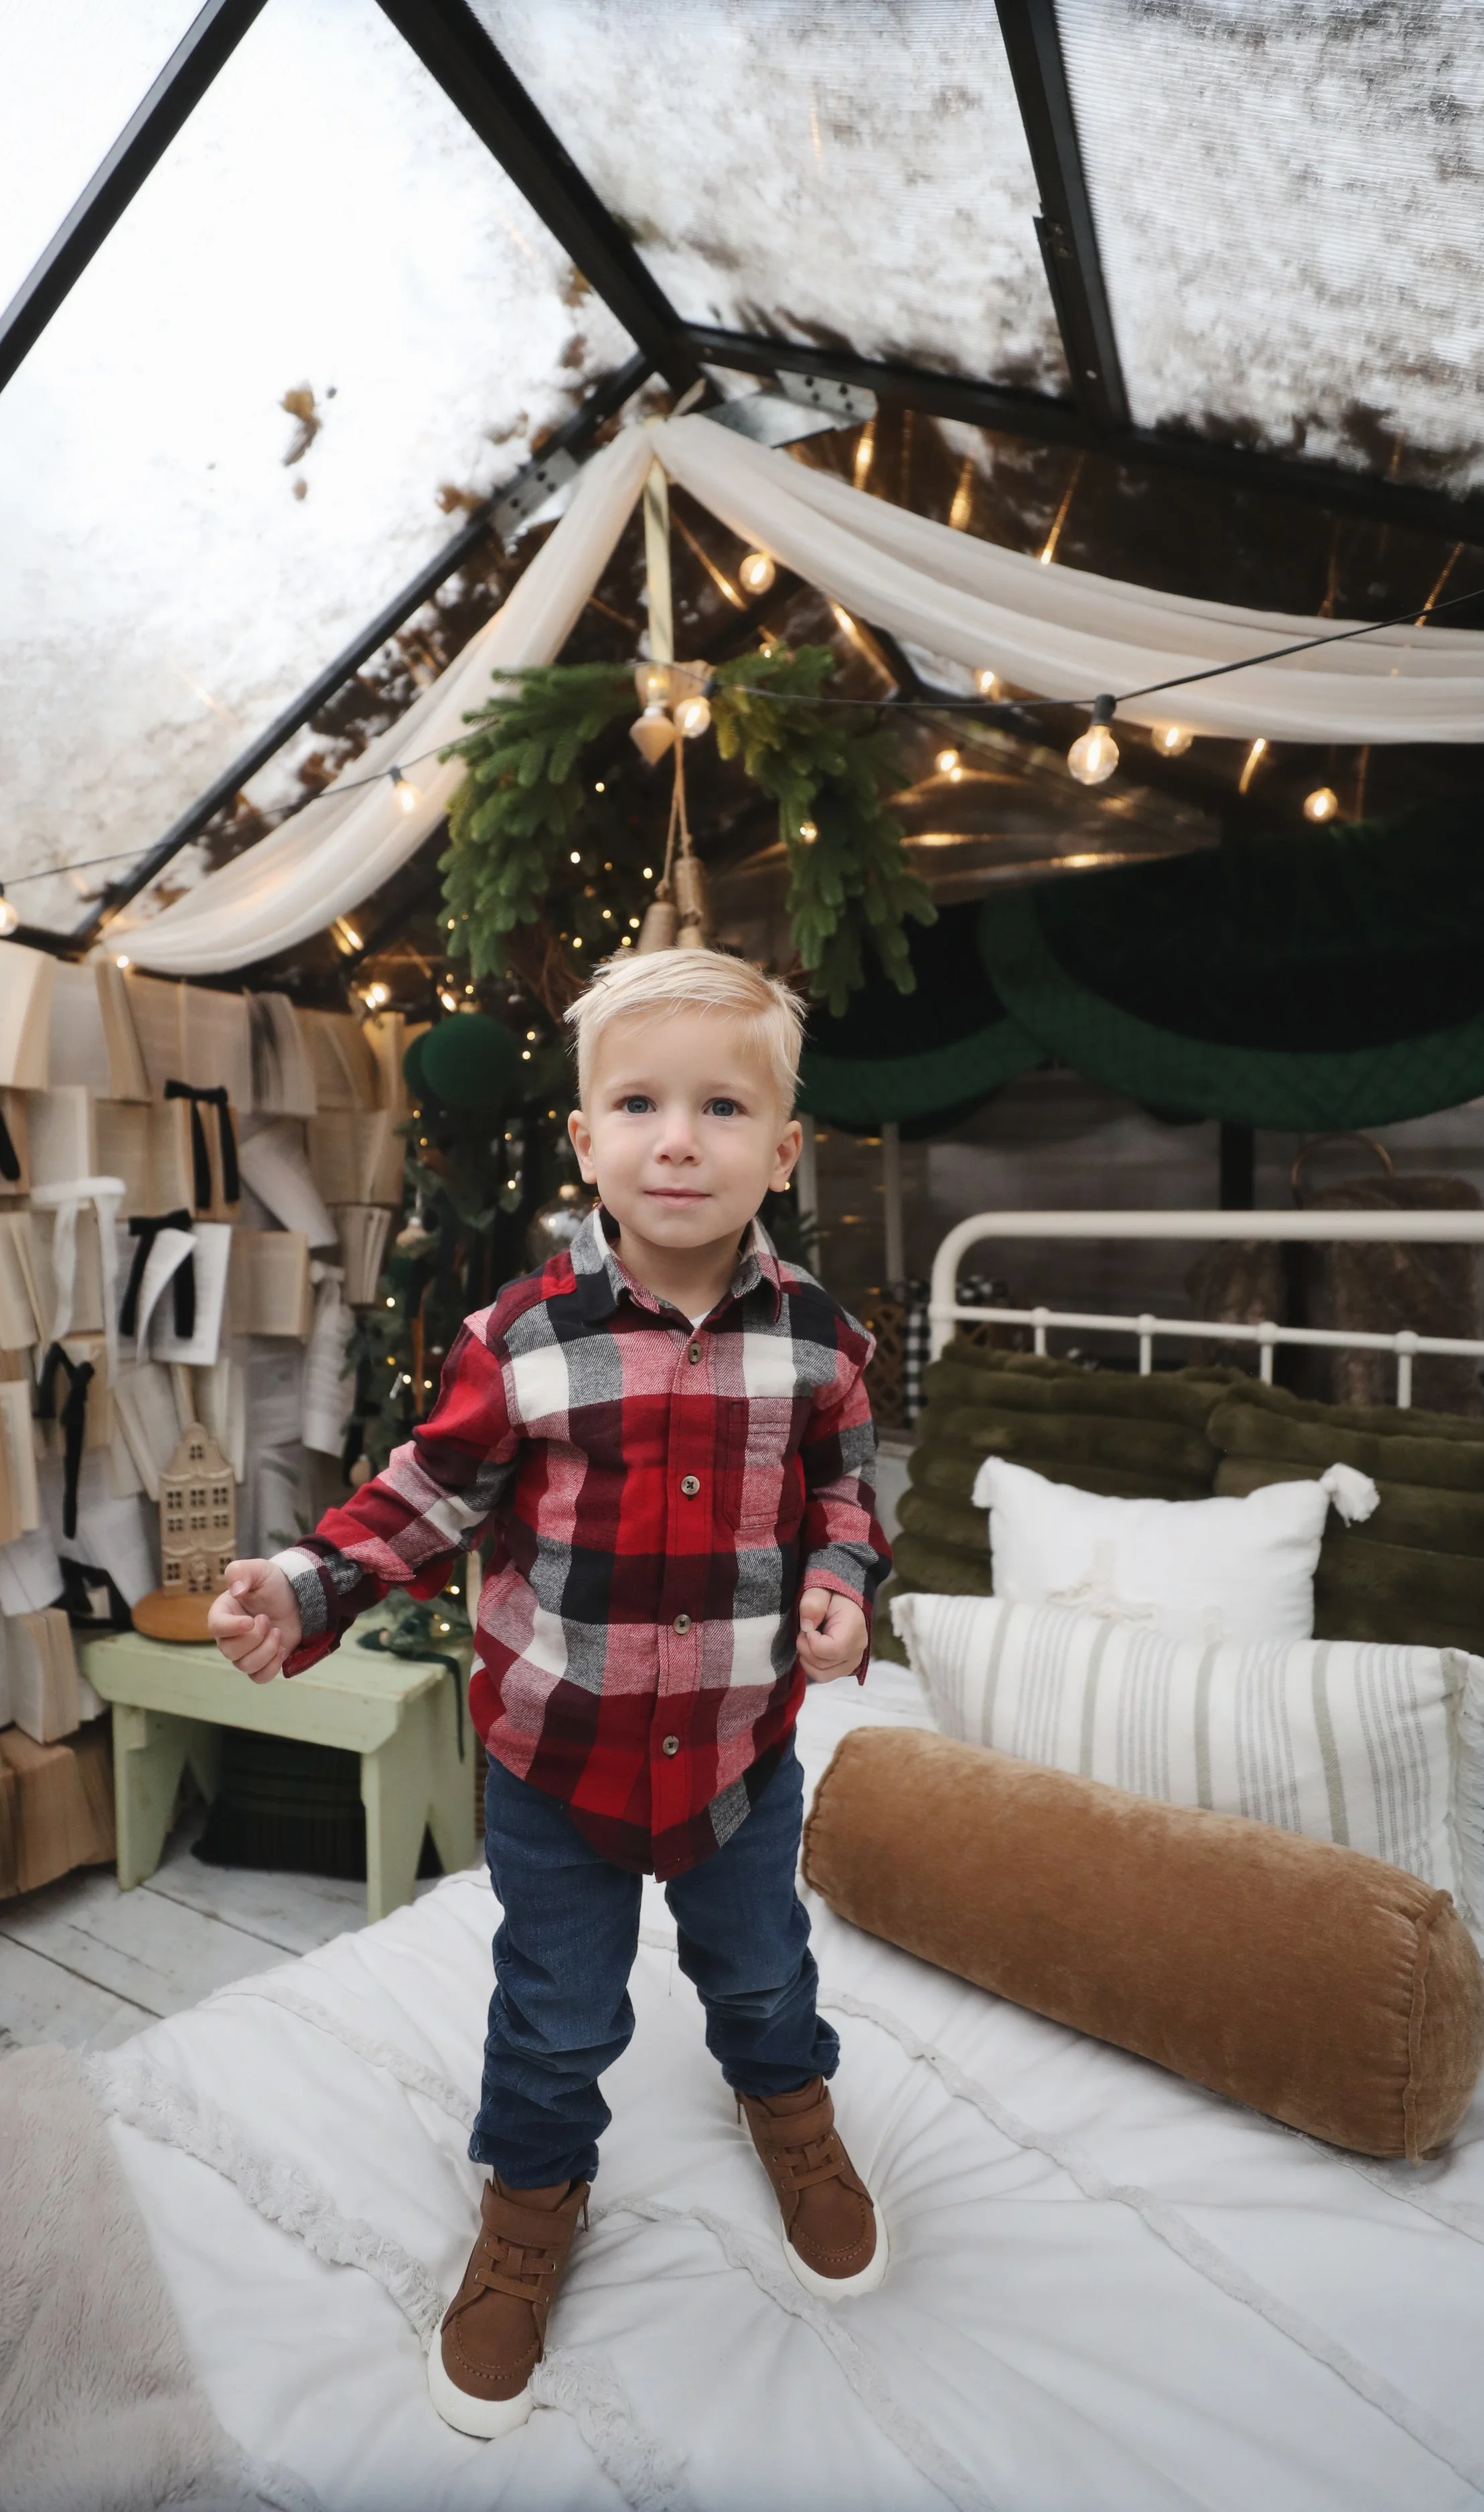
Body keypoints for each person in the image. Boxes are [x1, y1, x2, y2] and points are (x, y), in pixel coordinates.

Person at [210, 947, 891, 2440]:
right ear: (583, 1139)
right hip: (553, 1762)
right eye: (637, 1103)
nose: (676, 1139)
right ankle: (531, 2196)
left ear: (780, 1149)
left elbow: (846, 1495)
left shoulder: (819, 1341)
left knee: (764, 1968)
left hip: (733, 1754)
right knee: (554, 2011)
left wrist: (841, 1582)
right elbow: (424, 1499)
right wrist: (306, 1585)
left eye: (720, 1107)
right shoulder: (520, 1338)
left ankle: (786, 2106)